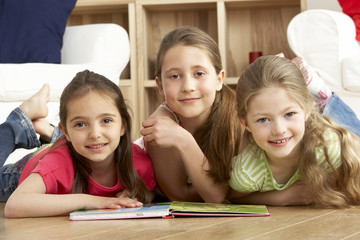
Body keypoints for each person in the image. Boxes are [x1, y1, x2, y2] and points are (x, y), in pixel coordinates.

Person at [5, 70, 155, 218]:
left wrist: (132, 194)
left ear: (123, 125)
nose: (95, 134)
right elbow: (14, 205)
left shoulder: (139, 162)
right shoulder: (57, 164)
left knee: (82, 142)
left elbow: (151, 190)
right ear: (66, 132)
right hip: (24, 171)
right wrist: (91, 201)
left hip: (68, 148)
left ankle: (48, 130)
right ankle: (20, 121)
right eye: (81, 124)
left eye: (106, 120)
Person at [228, 55, 360, 208]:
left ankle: (322, 95)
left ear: (306, 110)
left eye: (289, 114)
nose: (279, 130)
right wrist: (282, 198)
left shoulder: (328, 146)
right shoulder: (247, 172)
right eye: (263, 119)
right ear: (245, 123)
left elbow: (340, 191)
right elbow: (233, 198)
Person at [140, 26, 242, 203]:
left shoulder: (237, 115)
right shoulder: (159, 127)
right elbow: (186, 195)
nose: (188, 86)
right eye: (174, 76)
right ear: (160, 86)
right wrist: (183, 140)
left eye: (199, 73)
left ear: (219, 79)